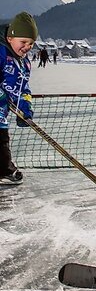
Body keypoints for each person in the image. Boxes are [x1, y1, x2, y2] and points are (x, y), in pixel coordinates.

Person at [0, 12, 38, 185]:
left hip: (2, 112)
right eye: (23, 42)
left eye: (31, 43)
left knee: (2, 139)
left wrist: (24, 107)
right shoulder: (1, 54)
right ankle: (5, 169)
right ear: (9, 38)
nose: (27, 46)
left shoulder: (24, 63)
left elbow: (23, 88)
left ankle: (4, 169)